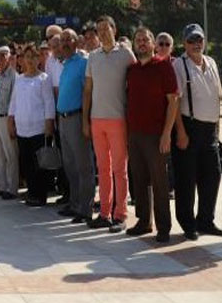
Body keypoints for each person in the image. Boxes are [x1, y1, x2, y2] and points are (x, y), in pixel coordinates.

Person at [172, 24, 222, 239]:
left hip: (210, 130)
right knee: (186, 179)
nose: (196, 44)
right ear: (184, 43)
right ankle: (187, 223)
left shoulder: (211, 62)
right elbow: (175, 101)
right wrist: (181, 132)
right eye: (191, 41)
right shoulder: (179, 64)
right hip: (189, 126)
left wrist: (217, 129)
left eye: (199, 40)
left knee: (212, 176)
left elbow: (216, 97)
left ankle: (206, 220)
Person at [124, 27, 179, 242]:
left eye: (145, 39)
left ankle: (163, 226)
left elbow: (173, 100)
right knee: (139, 180)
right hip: (135, 134)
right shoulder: (132, 70)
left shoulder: (163, 66)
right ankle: (144, 221)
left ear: (153, 43)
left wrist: (167, 133)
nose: (142, 43)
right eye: (138, 40)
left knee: (160, 182)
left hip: (156, 134)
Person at [83, 15, 136, 230]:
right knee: (103, 169)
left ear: (115, 29)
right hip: (97, 120)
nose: (103, 33)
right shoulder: (93, 57)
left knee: (119, 169)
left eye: (106, 29)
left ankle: (120, 214)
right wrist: (86, 120)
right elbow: (88, 90)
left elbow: (136, 80)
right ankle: (104, 212)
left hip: (118, 119)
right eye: (99, 30)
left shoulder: (125, 54)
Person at [8, 44, 56, 206]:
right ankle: (31, 192)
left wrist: (49, 124)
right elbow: (13, 103)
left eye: (33, 57)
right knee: (27, 162)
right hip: (22, 129)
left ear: (38, 59)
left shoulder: (44, 79)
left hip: (38, 128)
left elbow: (49, 103)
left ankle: (40, 195)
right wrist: (11, 122)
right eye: (27, 57)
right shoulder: (19, 79)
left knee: (39, 164)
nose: (29, 60)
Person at [55, 29, 93, 223]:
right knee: (70, 165)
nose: (65, 43)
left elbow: (88, 93)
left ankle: (85, 208)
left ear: (76, 41)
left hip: (77, 118)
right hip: (63, 119)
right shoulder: (66, 64)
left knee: (83, 165)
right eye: (63, 40)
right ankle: (75, 202)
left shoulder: (84, 62)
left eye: (68, 39)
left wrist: (86, 121)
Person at [0, 46, 18, 199]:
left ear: (9, 57)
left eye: (3, 56)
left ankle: (12, 188)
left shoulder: (14, 76)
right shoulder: (0, 75)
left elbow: (14, 101)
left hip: (8, 118)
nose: (0, 60)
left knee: (11, 154)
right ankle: (2, 185)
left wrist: (12, 121)